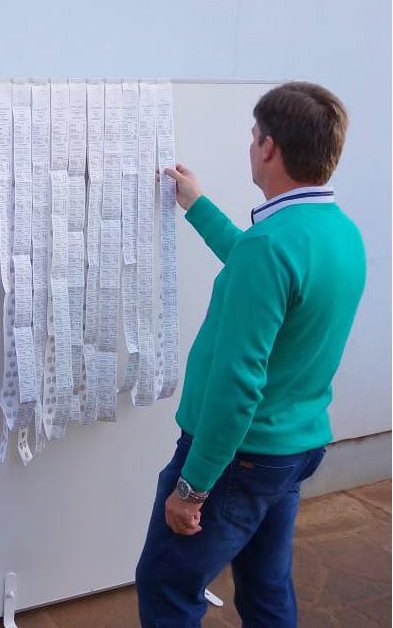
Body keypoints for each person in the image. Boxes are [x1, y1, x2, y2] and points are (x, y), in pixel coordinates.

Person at [135, 82, 366, 627]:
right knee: (265, 588)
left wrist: (192, 489)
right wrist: (196, 203)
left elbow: (238, 387)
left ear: (268, 147)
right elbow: (255, 265)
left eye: (253, 136)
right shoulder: (337, 232)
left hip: (238, 457)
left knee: (167, 584)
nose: (250, 147)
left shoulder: (272, 246)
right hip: (292, 449)